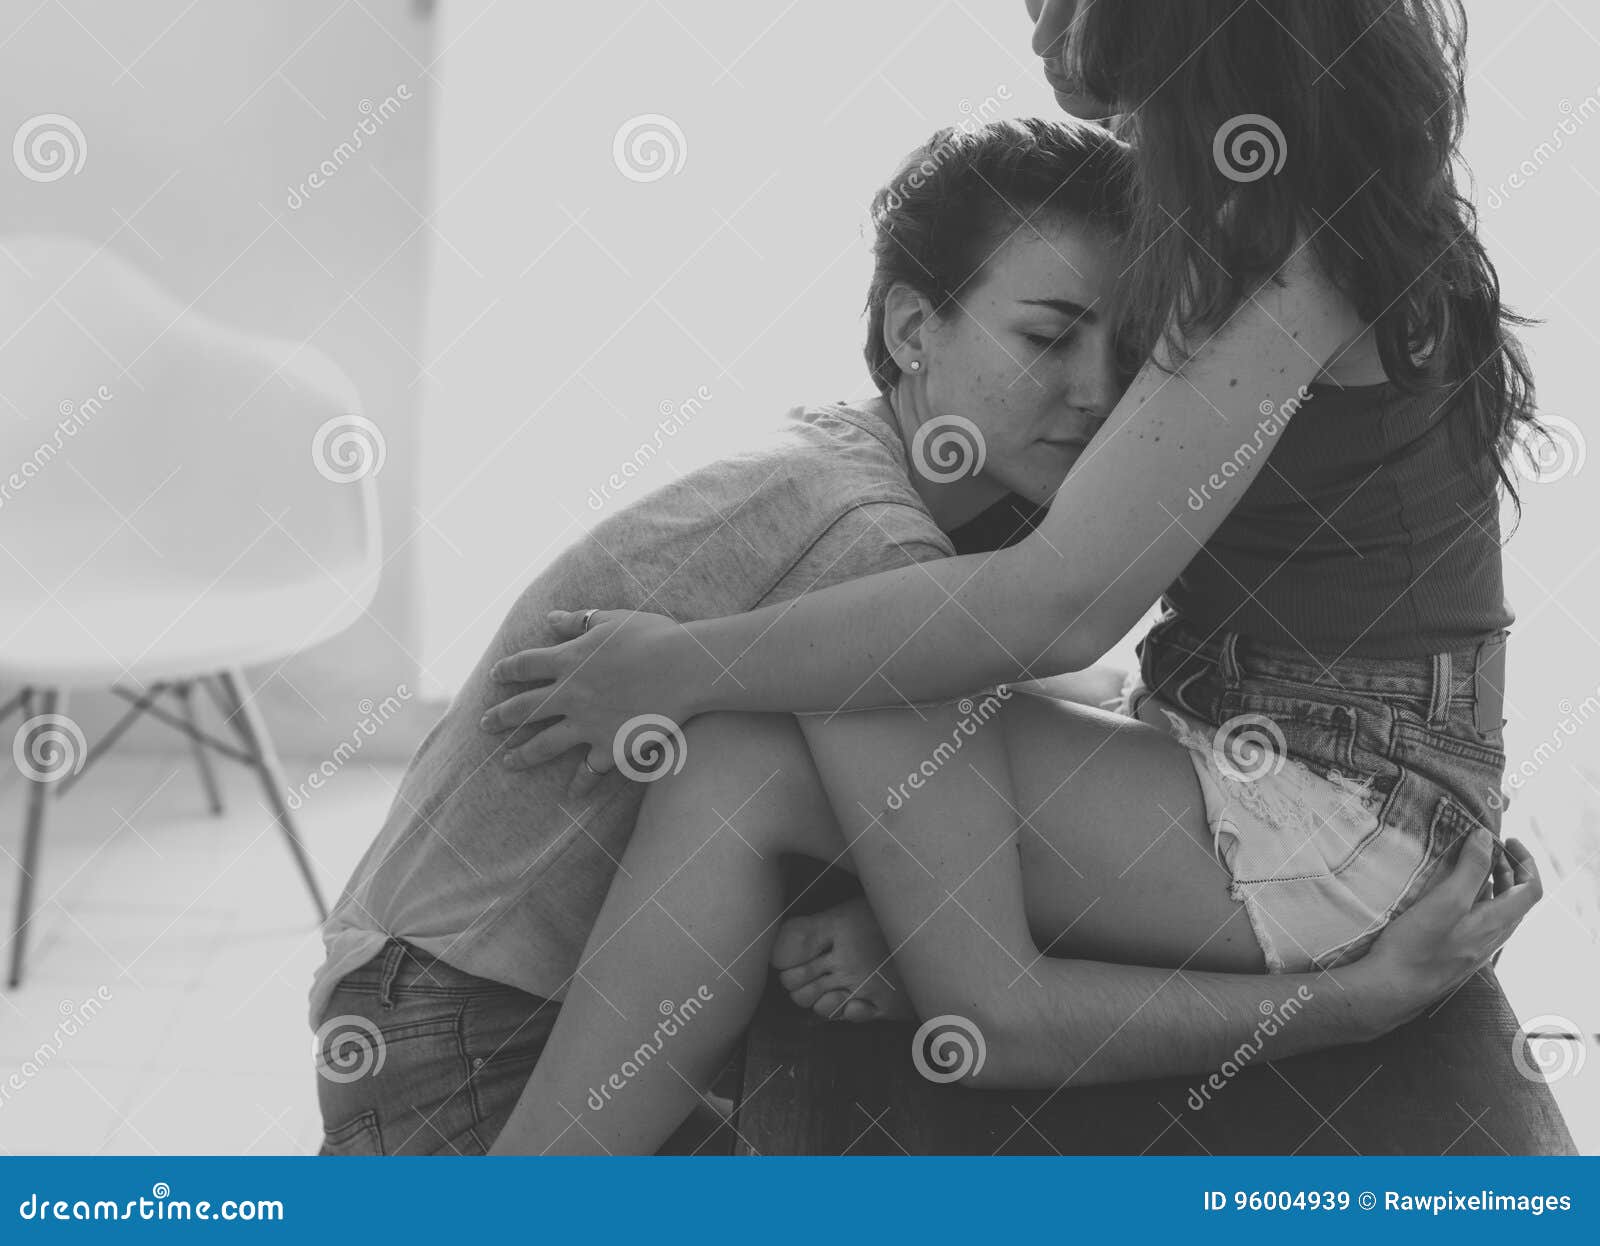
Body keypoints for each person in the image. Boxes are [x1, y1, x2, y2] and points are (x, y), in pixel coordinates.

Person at [481, 0, 1543, 1154]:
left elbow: (1059, 605)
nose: (1033, 17)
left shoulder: (1292, 249)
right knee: (753, 759)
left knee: (827, 686)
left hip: (1343, 808)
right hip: (1270, 745)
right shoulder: (1288, 201)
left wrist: (677, 667)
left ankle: (992, 1009)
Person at [313, 116, 1144, 1155]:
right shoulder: (870, 542)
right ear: (911, 330)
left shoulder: (844, 461)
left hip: (416, 997)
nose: (1099, 392)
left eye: (1127, 348)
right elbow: (999, 920)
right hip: (474, 1037)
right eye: (1048, 338)